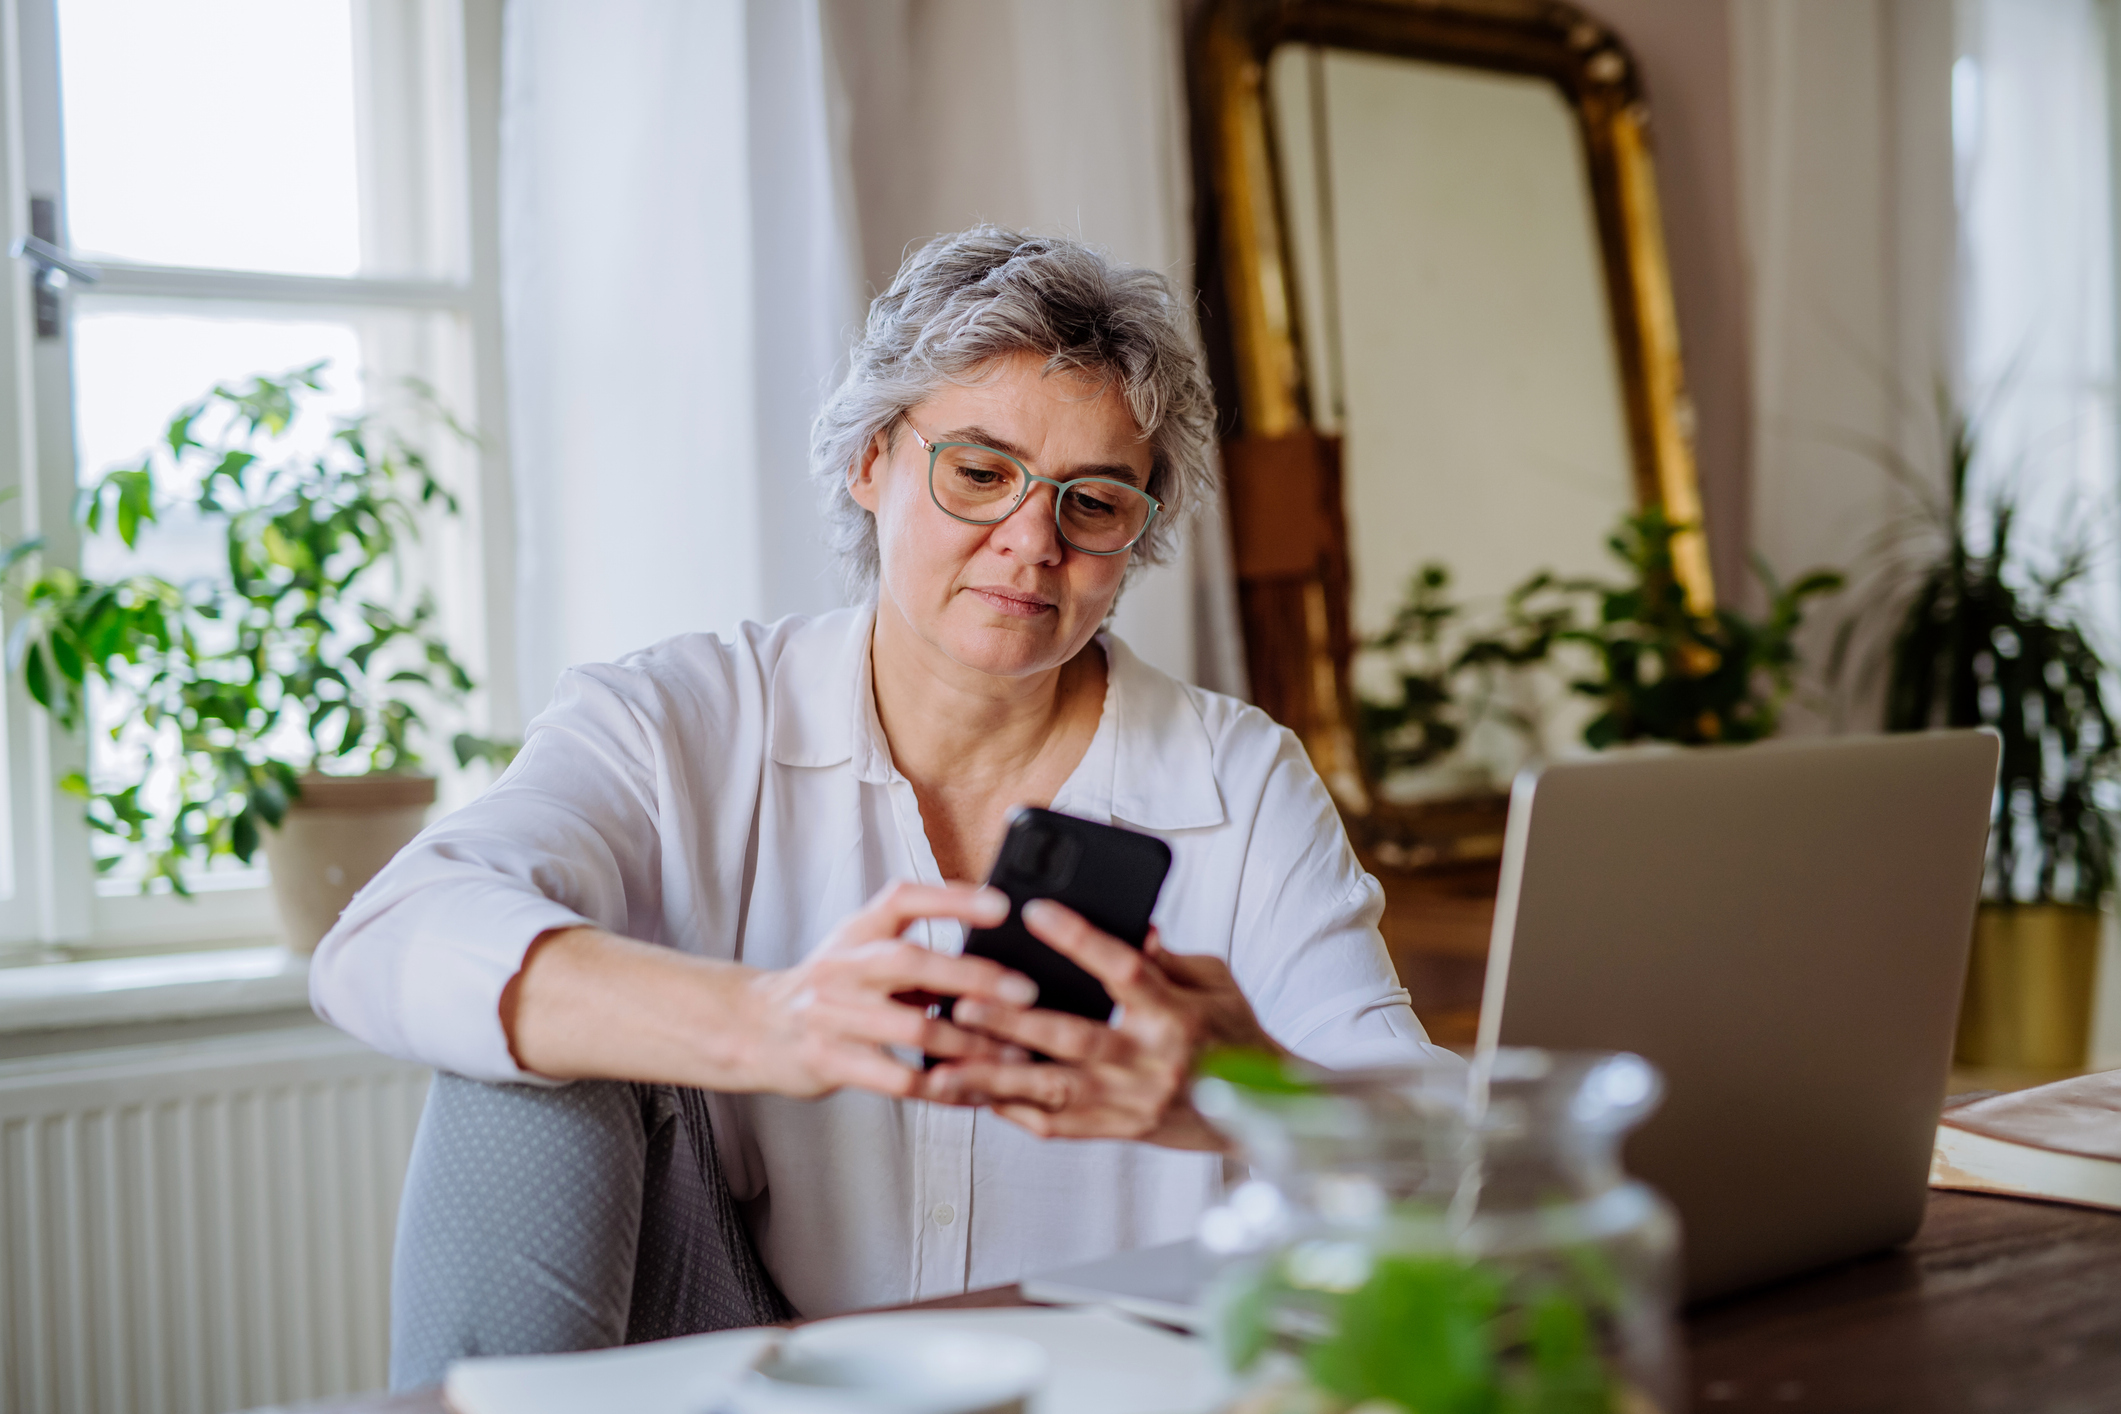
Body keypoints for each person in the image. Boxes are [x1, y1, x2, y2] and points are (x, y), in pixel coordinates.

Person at [311, 226, 1453, 1371]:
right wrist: (773, 1021)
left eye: (1094, 503)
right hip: (753, 1365)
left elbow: (1447, 1149)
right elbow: (386, 938)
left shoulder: (1238, 778)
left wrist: (1239, 1087)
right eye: (979, 471)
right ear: (873, 461)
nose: (1031, 542)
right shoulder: (679, 718)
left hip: (1098, 1379)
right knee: (518, 1054)